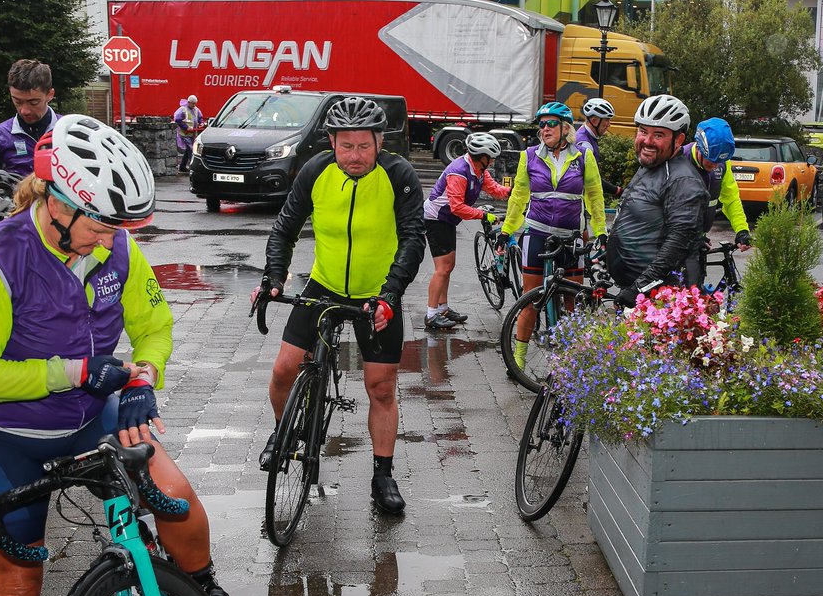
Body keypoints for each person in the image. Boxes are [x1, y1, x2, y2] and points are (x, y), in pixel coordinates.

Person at [0, 114, 241, 596]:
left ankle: (203, 587)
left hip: (90, 415)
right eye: (99, 223)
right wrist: (77, 371)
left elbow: (153, 323)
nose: (110, 239)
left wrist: (144, 378)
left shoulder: (116, 248)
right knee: (18, 586)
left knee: (178, 498)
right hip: (6, 432)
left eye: (117, 227)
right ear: (55, 202)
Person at [257, 96, 425, 514]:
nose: (355, 156)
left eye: (364, 146)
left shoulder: (398, 173)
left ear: (379, 141)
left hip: (377, 292)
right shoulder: (315, 170)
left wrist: (390, 294)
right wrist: (274, 277)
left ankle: (382, 475)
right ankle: (288, 434)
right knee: (282, 371)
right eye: (346, 146)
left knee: (381, 387)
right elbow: (285, 228)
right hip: (325, 285)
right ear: (331, 141)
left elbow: (412, 238)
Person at [497, 102, 605, 369]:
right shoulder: (530, 155)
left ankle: (572, 362)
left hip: (571, 237)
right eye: (541, 124)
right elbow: (519, 197)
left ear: (565, 127)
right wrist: (506, 231)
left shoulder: (582, 156)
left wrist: (601, 232)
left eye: (550, 124)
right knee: (531, 298)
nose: (544, 129)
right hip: (537, 234)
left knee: (573, 300)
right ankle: (519, 362)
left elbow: (594, 196)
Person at [605, 94, 708, 298]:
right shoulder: (653, 165)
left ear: (678, 140)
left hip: (659, 300)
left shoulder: (682, 180)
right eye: (643, 131)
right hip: (637, 292)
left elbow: (678, 243)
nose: (647, 141)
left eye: (658, 135)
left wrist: (638, 288)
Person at [422, 132, 510, 329]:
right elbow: (457, 207)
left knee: (449, 266)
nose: (493, 161)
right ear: (482, 157)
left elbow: (493, 189)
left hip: (447, 220)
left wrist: (512, 192)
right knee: (442, 268)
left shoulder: (478, 169)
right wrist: (483, 214)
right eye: (491, 157)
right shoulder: (459, 172)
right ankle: (430, 314)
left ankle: (443, 308)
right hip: (436, 218)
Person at [0, 60, 60, 215]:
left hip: (63, 229)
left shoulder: (68, 131)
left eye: (33, 102)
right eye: (17, 101)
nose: (24, 110)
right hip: (16, 228)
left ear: (50, 94)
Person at [685, 116, 751, 251]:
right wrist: (688, 236)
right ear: (699, 148)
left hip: (700, 236)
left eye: (719, 161)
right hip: (676, 241)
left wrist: (742, 230)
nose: (715, 166)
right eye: (711, 161)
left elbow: (731, 199)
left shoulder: (723, 164)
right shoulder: (680, 160)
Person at [575, 97, 621, 198]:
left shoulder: (586, 133)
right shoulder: (584, 144)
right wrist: (616, 190)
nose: (609, 124)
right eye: (607, 120)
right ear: (595, 121)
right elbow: (591, 178)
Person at [174, 94, 206, 173]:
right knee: (191, 149)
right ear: (189, 102)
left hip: (192, 134)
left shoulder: (196, 110)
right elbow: (177, 120)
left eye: (195, 103)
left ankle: (182, 166)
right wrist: (185, 127)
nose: (194, 105)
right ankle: (193, 168)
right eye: (193, 103)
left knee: (188, 150)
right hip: (184, 134)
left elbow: (200, 118)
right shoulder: (182, 110)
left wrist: (201, 123)